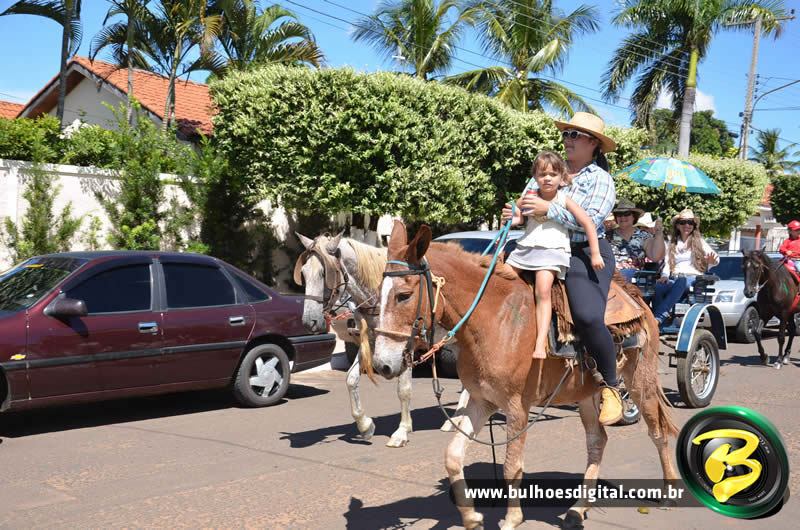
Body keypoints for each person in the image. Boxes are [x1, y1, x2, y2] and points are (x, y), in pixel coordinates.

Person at [502, 112, 620, 425]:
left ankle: (611, 386)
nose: (567, 139)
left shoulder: (601, 179)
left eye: (574, 135)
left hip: (583, 251)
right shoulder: (547, 170)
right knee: (491, 286)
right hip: (537, 244)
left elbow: (590, 220)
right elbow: (525, 206)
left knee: (587, 315)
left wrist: (549, 208)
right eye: (566, 133)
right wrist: (514, 214)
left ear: (594, 144)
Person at [504, 151, 604, 359]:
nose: (547, 179)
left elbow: (587, 222)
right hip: (526, 247)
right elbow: (515, 213)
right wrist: (515, 218)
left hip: (552, 250)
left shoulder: (564, 199)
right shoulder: (529, 197)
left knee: (543, 290)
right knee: (501, 277)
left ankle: (541, 342)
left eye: (552, 174)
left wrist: (595, 253)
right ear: (535, 177)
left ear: (562, 178)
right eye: (542, 174)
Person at [653, 209, 719, 326]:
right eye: (683, 222)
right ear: (678, 225)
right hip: (674, 279)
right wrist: (664, 276)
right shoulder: (672, 242)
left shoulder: (700, 242)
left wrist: (711, 262)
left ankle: (659, 316)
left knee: (682, 280)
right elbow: (667, 262)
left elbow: (715, 258)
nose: (687, 225)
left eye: (690, 222)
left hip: (693, 280)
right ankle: (660, 322)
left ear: (694, 226)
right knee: (658, 287)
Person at [606, 199, 664, 282]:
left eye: (626, 214)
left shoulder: (643, 236)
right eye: (619, 214)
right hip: (611, 278)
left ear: (634, 216)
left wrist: (659, 234)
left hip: (636, 279)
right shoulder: (607, 235)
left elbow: (655, 257)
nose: (623, 217)